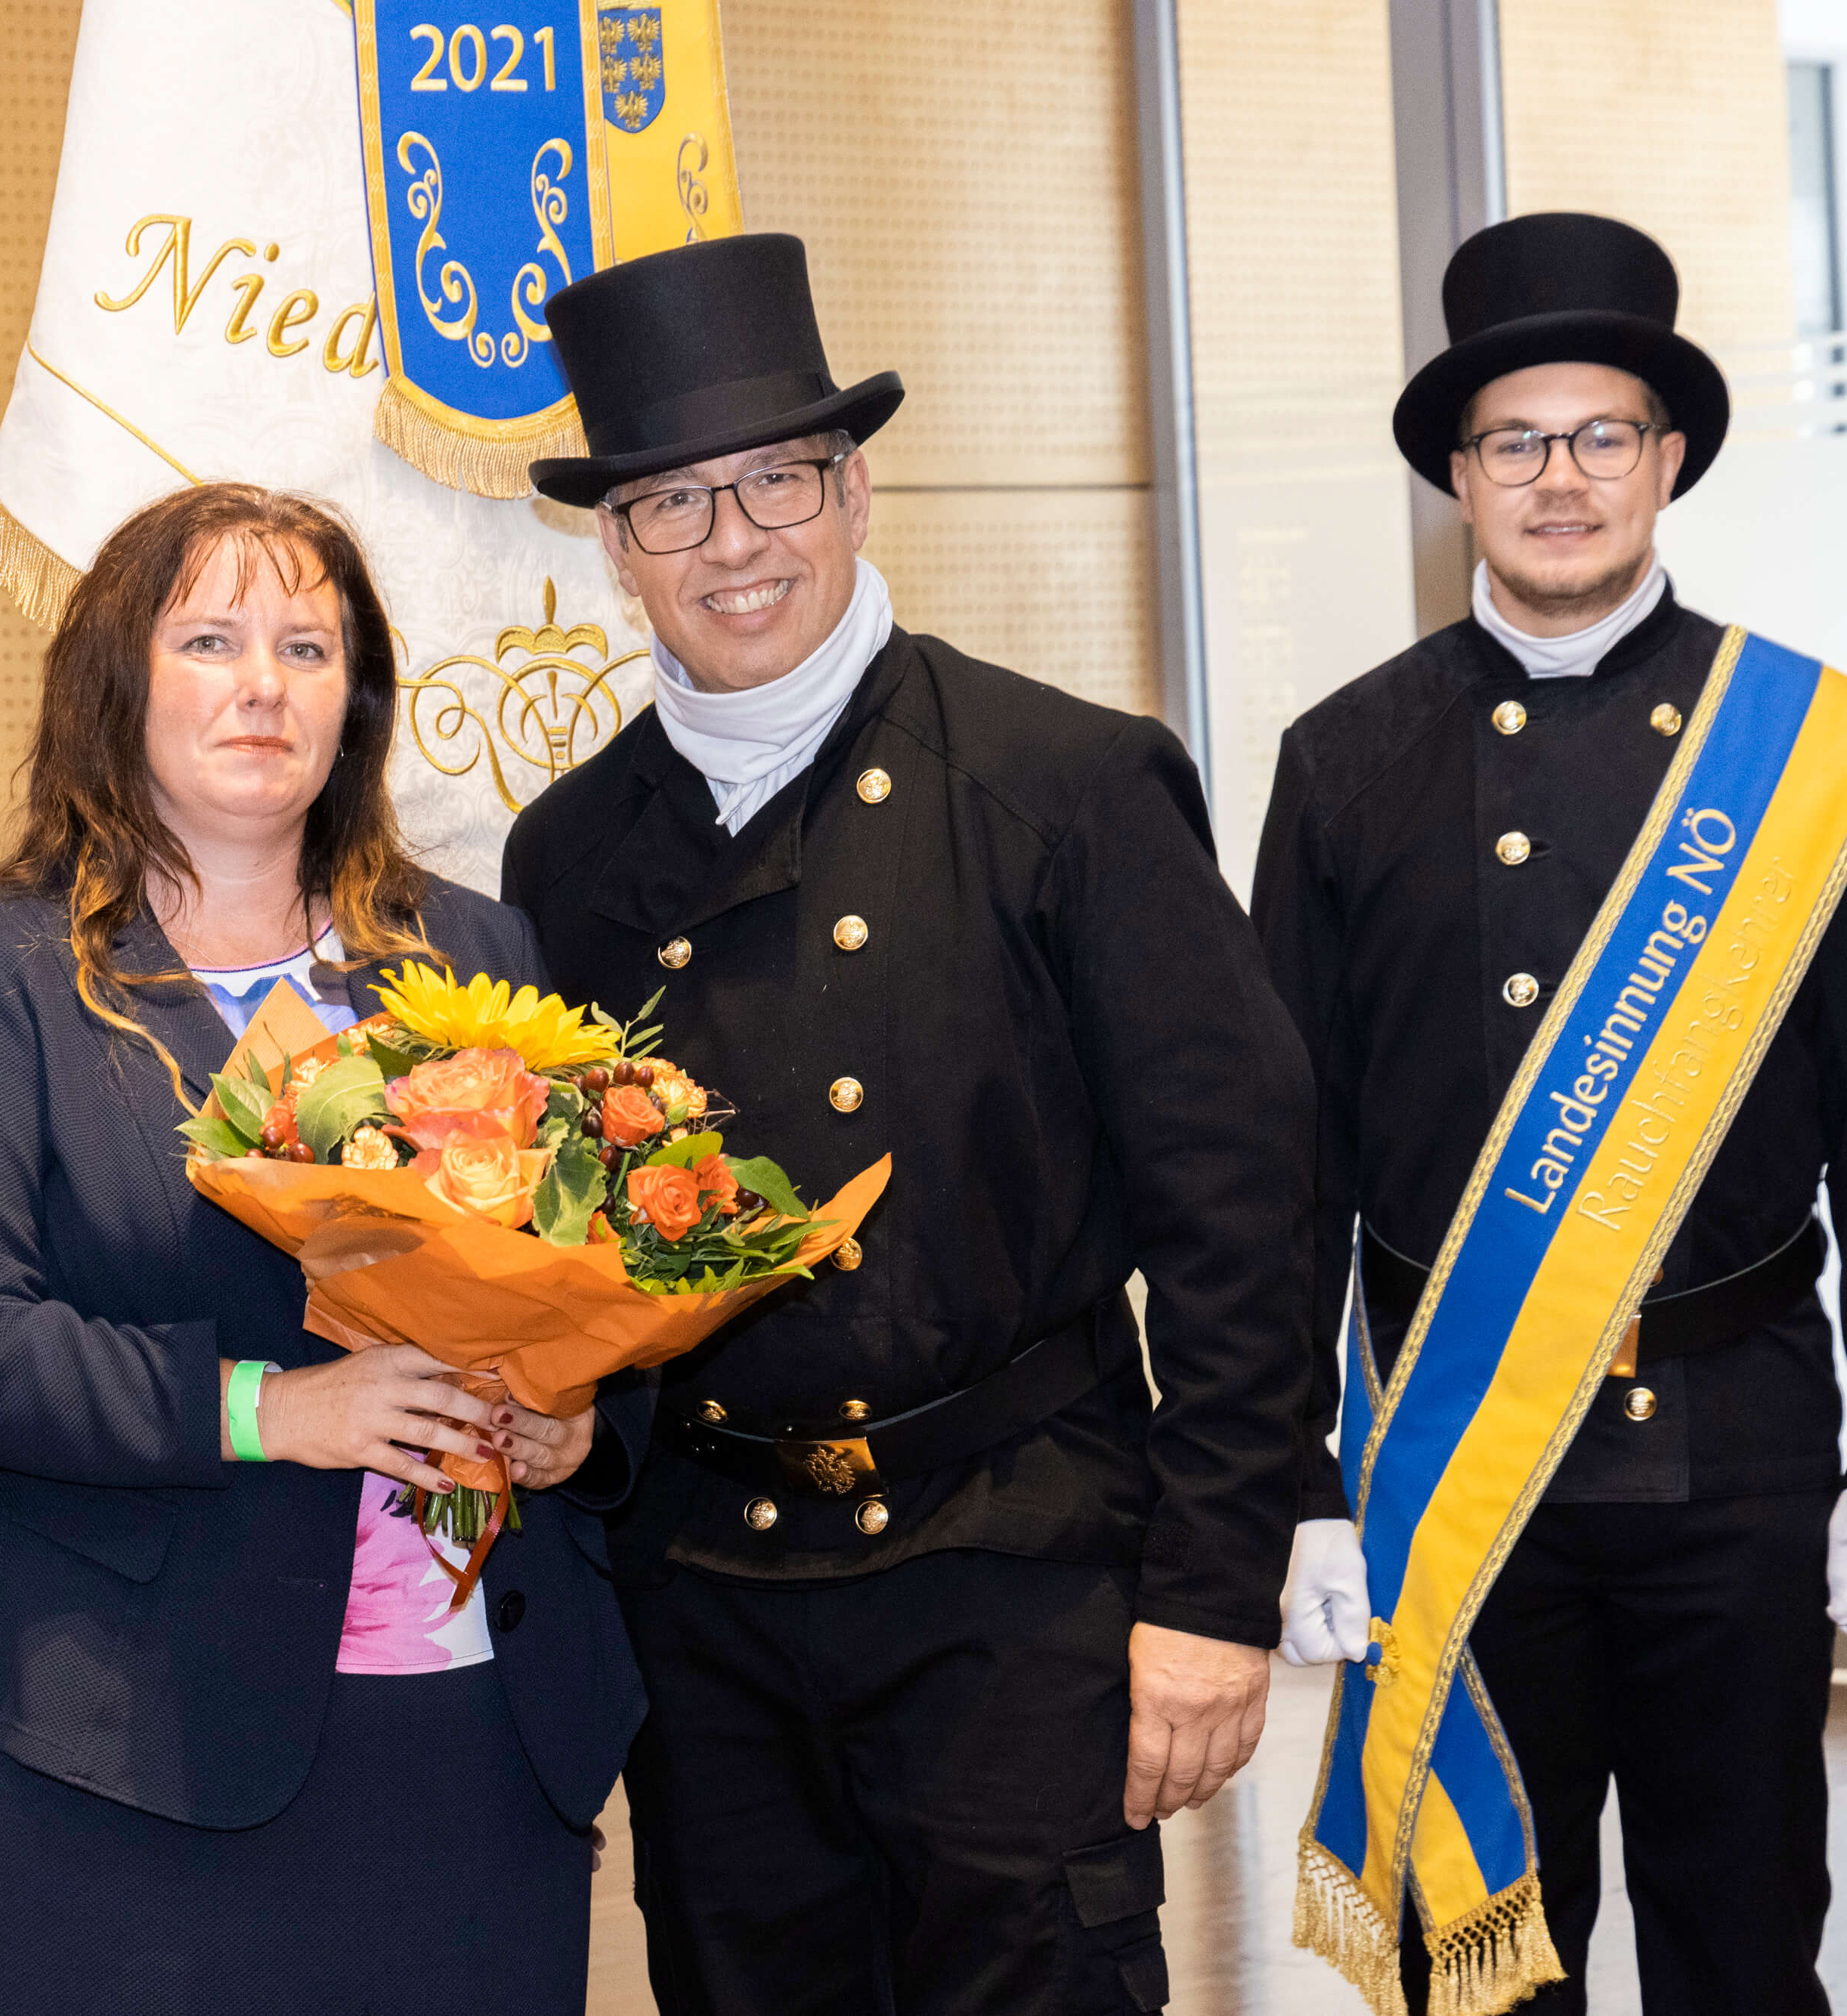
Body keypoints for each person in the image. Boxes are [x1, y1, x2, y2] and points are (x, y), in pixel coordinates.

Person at [502, 233, 1317, 2014]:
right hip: (706, 1606)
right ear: (613, 544)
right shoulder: (565, 856)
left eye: (774, 481)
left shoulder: (1063, 787)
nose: (731, 540)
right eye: (670, 502)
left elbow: (1238, 1218)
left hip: (1012, 1579)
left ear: (854, 488)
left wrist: (1211, 1591)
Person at [0, 483, 642, 2015]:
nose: (263, 683)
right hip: (117, 1741)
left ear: (357, 700)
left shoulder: (473, 952)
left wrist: (575, 1418)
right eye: (209, 640)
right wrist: (273, 1409)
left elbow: (584, 1271)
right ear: (116, 682)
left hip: (467, 1730)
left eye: (306, 647)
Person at [1255, 212, 1847, 2014]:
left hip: (1738, 1446)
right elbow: (1283, 1169)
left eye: (1599, 433)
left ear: (1666, 456)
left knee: (1742, 1942)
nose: (1559, 479)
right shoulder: (1340, 759)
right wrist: (1290, 1482)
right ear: (1456, 475)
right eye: (1514, 441)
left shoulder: (1802, 753)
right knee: (1475, 1963)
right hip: (1453, 1454)